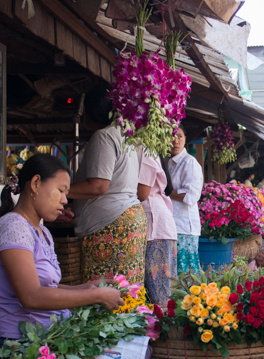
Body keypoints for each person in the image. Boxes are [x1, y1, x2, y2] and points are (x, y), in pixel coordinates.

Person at [0, 154, 122, 344]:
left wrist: (87, 288)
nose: (65, 200)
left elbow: (48, 287)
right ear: (35, 183)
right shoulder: (13, 227)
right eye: (61, 190)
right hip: (21, 345)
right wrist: (95, 295)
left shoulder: (42, 231)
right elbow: (31, 296)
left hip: (48, 337)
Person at [69, 85, 147, 285]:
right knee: (126, 292)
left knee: (104, 292)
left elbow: (98, 186)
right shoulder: (125, 135)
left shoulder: (103, 136)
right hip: (127, 219)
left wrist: (58, 191)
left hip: (110, 225)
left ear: (92, 111)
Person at [138, 148, 177, 306]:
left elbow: (142, 193)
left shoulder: (146, 150)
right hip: (159, 223)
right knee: (161, 291)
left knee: (159, 296)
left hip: (156, 225)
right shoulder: (148, 149)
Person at [166, 127, 203, 275]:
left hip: (184, 227)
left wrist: (167, 192)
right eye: (172, 136)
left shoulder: (189, 162)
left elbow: (192, 195)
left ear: (185, 139)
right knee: (174, 272)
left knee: (186, 274)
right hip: (171, 225)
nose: (176, 141)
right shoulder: (168, 162)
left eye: (180, 136)